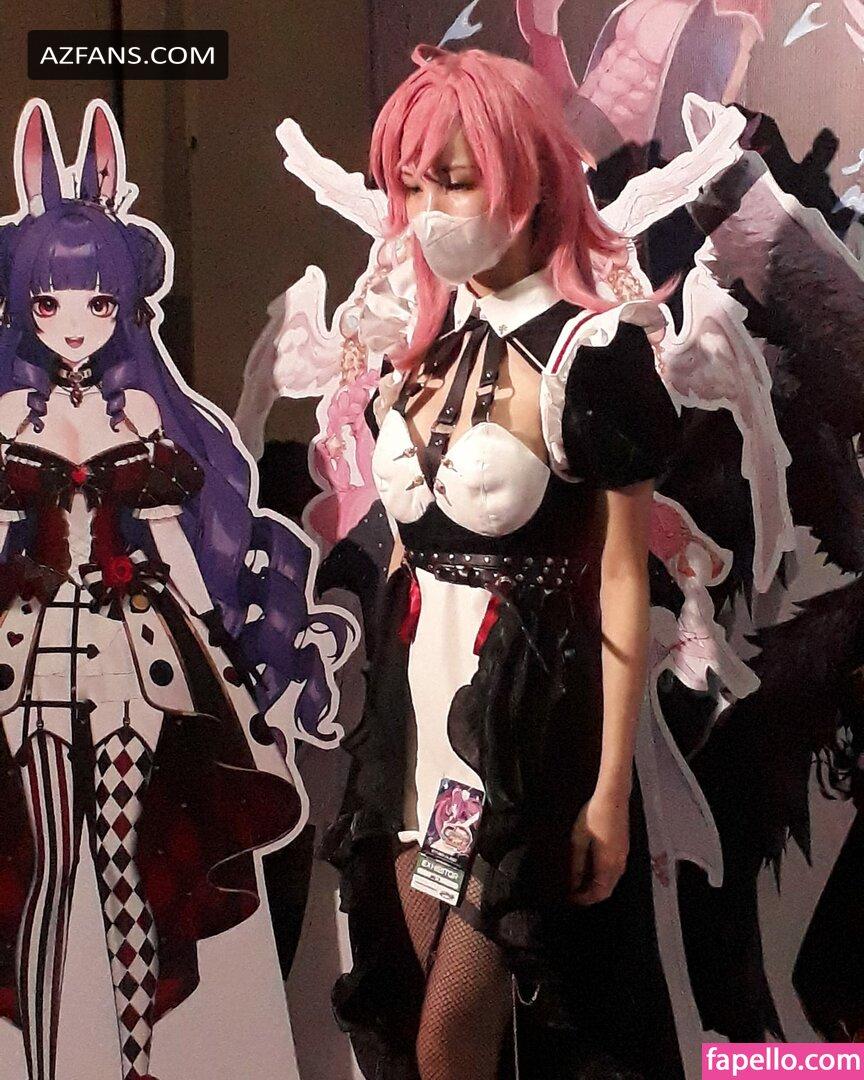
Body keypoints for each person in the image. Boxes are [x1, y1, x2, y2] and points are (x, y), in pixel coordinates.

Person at [322, 45, 684, 1080]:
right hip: (414, 732)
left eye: (454, 178)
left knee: (454, 1032)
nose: (428, 209)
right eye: (411, 184)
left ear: (525, 179)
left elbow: (623, 579)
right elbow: (407, 549)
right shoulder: (419, 351)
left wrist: (608, 791)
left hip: (523, 740)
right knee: (417, 1017)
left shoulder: (593, 355)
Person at [0, 100, 352, 1080]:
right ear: (25, 304)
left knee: (128, 863)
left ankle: (139, 1063)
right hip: (28, 661)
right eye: (52, 304)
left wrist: (226, 651)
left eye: (97, 303)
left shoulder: (146, 416)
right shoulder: (10, 412)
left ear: (123, 304)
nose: (75, 323)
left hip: (137, 662)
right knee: (44, 870)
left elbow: (177, 549)